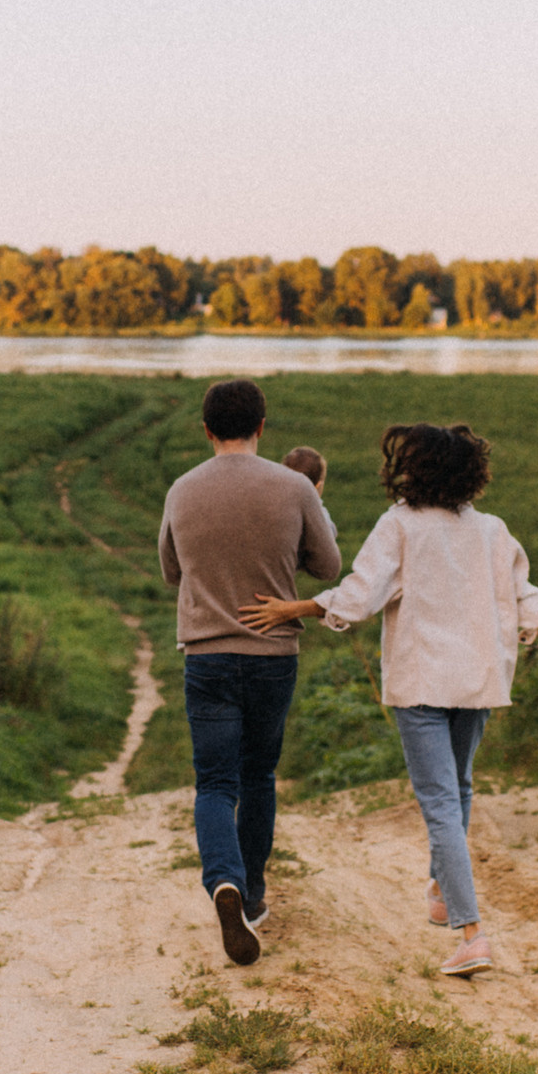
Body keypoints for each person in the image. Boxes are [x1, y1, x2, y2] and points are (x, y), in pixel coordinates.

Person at [237, 422, 538, 977]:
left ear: (412, 470)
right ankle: (442, 889)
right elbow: (531, 603)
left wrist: (296, 608)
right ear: (472, 474)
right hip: (476, 683)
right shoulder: (495, 531)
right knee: (461, 787)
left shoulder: (400, 525)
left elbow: (359, 596)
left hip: (423, 683)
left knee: (441, 804)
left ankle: (472, 934)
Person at [156, 379, 341, 965]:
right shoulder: (292, 486)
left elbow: (170, 570)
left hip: (206, 656)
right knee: (259, 775)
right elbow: (328, 565)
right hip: (271, 657)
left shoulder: (181, 490)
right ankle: (254, 898)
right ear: (261, 426)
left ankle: (224, 883)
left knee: (215, 783)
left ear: (206, 429)